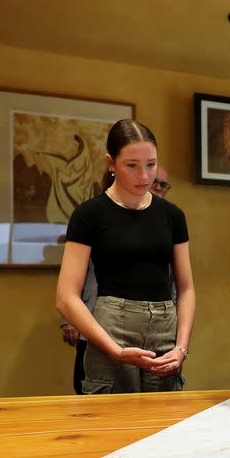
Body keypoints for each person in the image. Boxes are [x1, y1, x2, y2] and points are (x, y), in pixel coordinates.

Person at [56, 120, 195, 394]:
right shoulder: (89, 215)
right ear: (111, 162)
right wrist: (115, 351)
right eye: (132, 165)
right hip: (110, 330)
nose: (144, 176)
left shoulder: (173, 216)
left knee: (163, 425)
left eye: (151, 164)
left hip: (165, 332)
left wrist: (181, 348)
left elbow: (187, 288)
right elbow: (65, 297)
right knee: (112, 425)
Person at [60, 166, 175, 394]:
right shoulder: (97, 215)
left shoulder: (167, 219)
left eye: (163, 184)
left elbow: (171, 280)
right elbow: (78, 276)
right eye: (156, 183)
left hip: (157, 326)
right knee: (100, 389)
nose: (158, 187)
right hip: (96, 319)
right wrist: (68, 319)